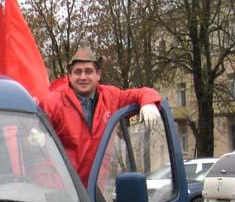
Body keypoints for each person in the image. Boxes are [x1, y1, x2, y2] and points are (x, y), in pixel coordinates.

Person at [39, 47, 161, 187]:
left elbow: (143, 92)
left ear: (98, 75)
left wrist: (148, 103)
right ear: (70, 76)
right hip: (63, 190)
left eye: (88, 71)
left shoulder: (111, 97)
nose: (83, 77)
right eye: (77, 72)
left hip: (96, 189)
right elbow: (36, 145)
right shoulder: (52, 103)